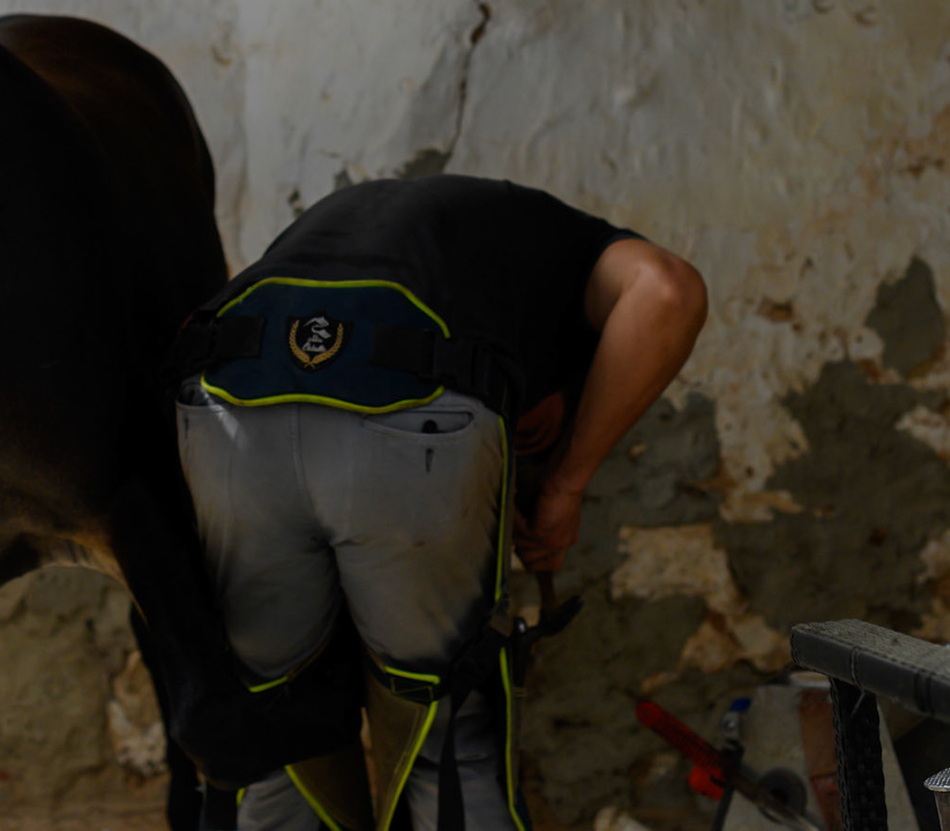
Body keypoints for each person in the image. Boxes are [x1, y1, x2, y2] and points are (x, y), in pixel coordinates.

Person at [170, 174, 707, 831]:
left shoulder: (406, 226)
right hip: (411, 407)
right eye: (536, 436)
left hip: (225, 405)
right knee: (446, 734)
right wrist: (567, 482)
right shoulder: (586, 249)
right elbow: (668, 291)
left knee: (275, 732)